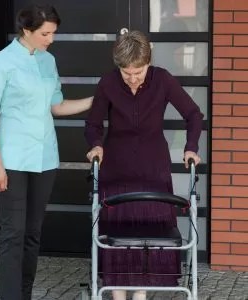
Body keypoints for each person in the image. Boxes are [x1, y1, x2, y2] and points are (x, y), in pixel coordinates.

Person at [0, 4, 92, 300]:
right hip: (12, 160)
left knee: (32, 235)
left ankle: (24, 295)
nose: (51, 39)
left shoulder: (48, 61)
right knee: (13, 235)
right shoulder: (0, 63)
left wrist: (96, 98)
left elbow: (56, 106)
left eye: (53, 33)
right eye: (45, 33)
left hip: (45, 159)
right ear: (26, 31)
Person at [85, 30, 203, 300]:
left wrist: (191, 148)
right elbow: (93, 123)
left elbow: (194, 115)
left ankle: (139, 294)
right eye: (127, 73)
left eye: (138, 72)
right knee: (118, 238)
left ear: (148, 63)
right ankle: (116, 294)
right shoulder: (108, 83)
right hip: (116, 173)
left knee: (148, 238)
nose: (133, 78)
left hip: (153, 174)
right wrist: (96, 144)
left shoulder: (162, 80)